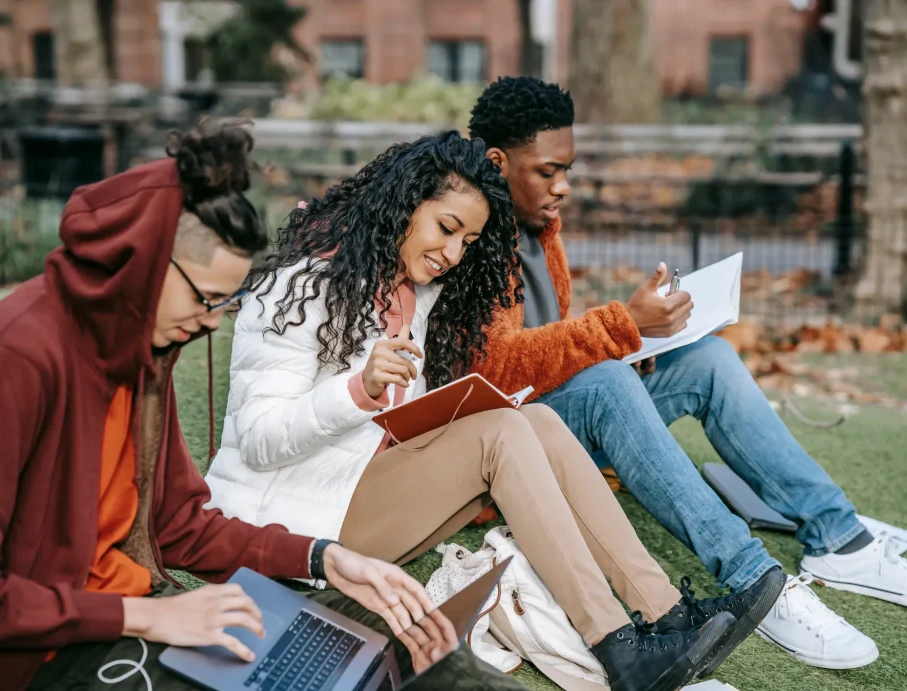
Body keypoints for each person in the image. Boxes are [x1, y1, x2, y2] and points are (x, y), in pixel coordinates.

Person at [0, 120, 511, 691]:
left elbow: (179, 528)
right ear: (140, 259)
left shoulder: (139, 355)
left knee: (388, 627)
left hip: (124, 613)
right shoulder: (12, 360)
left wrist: (324, 559)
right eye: (205, 298)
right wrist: (141, 619)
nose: (209, 322)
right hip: (31, 660)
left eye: (221, 302)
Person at [203, 130, 762, 691]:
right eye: (446, 228)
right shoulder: (299, 287)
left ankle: (663, 612)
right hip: (290, 528)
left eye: (467, 241)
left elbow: (383, 434)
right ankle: (618, 646)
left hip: (350, 493)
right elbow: (258, 438)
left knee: (535, 420)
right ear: (402, 205)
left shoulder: (412, 294)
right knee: (498, 432)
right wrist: (359, 389)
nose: (452, 254)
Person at [467, 75, 907, 670]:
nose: (563, 185)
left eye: (568, 168)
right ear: (497, 160)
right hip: (514, 448)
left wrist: (627, 339)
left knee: (709, 360)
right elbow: (490, 371)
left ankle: (836, 536)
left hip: (566, 408)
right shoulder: (466, 235)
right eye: (548, 171)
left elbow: (548, 343)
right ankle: (753, 581)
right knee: (611, 384)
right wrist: (617, 329)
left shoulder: (540, 227)